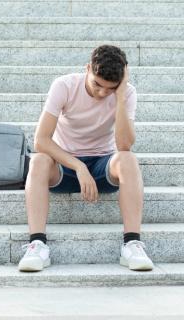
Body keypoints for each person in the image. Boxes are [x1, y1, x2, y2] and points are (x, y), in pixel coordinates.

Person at [18, 44, 154, 272]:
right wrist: (79, 167)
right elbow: (41, 140)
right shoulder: (64, 86)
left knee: (128, 159)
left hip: (103, 165)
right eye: (97, 85)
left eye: (109, 89)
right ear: (88, 68)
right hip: (65, 166)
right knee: (39, 160)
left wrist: (119, 98)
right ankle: (37, 244)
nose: (102, 93)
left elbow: (124, 145)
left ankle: (131, 244)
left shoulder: (127, 93)